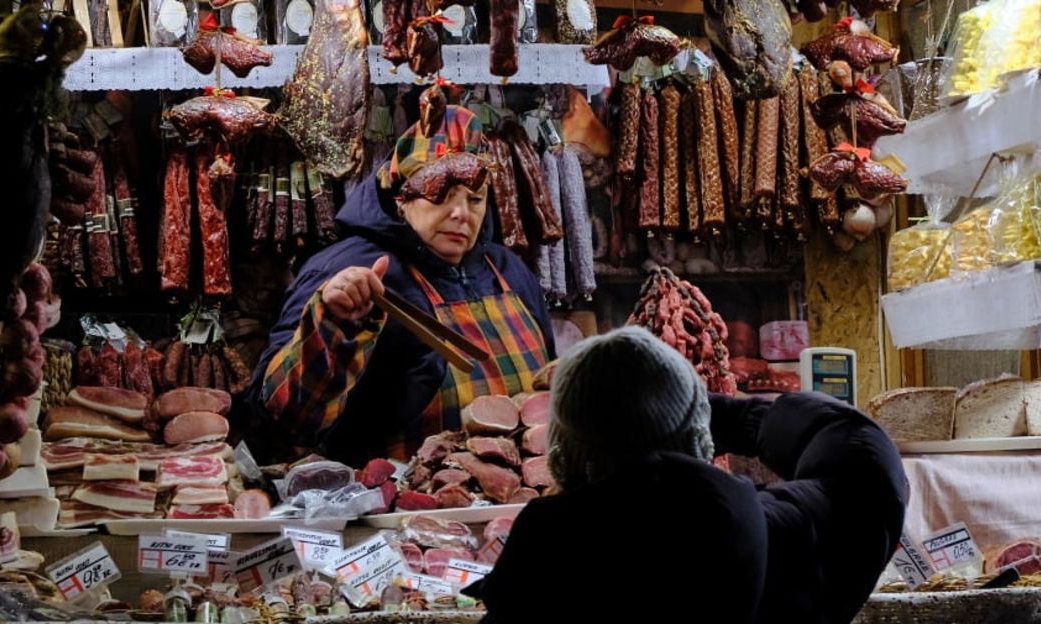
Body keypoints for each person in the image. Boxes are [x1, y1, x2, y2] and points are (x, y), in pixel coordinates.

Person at [467, 326, 907, 623]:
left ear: (561, 451)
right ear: (698, 434)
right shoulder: (756, 531)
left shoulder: (538, 564)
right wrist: (736, 418)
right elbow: (865, 462)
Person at [247, 97, 555, 466]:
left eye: (475, 199)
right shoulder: (344, 267)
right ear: (401, 198)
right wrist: (329, 324)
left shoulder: (509, 271)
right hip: (396, 508)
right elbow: (277, 420)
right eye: (442, 194)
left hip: (507, 502)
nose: (461, 213)